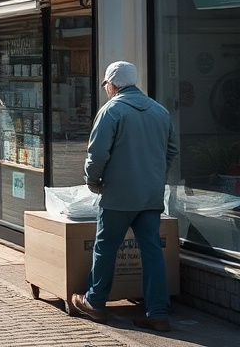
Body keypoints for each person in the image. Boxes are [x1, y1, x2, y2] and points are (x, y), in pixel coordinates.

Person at [69, 61, 179, 333]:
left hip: (118, 195)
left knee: (105, 247)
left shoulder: (111, 110)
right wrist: (155, 177)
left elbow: (97, 154)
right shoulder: (160, 111)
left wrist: (92, 181)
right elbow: (172, 151)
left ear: (113, 84)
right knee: (152, 251)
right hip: (151, 195)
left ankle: (95, 302)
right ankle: (158, 313)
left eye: (106, 85)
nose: (106, 89)